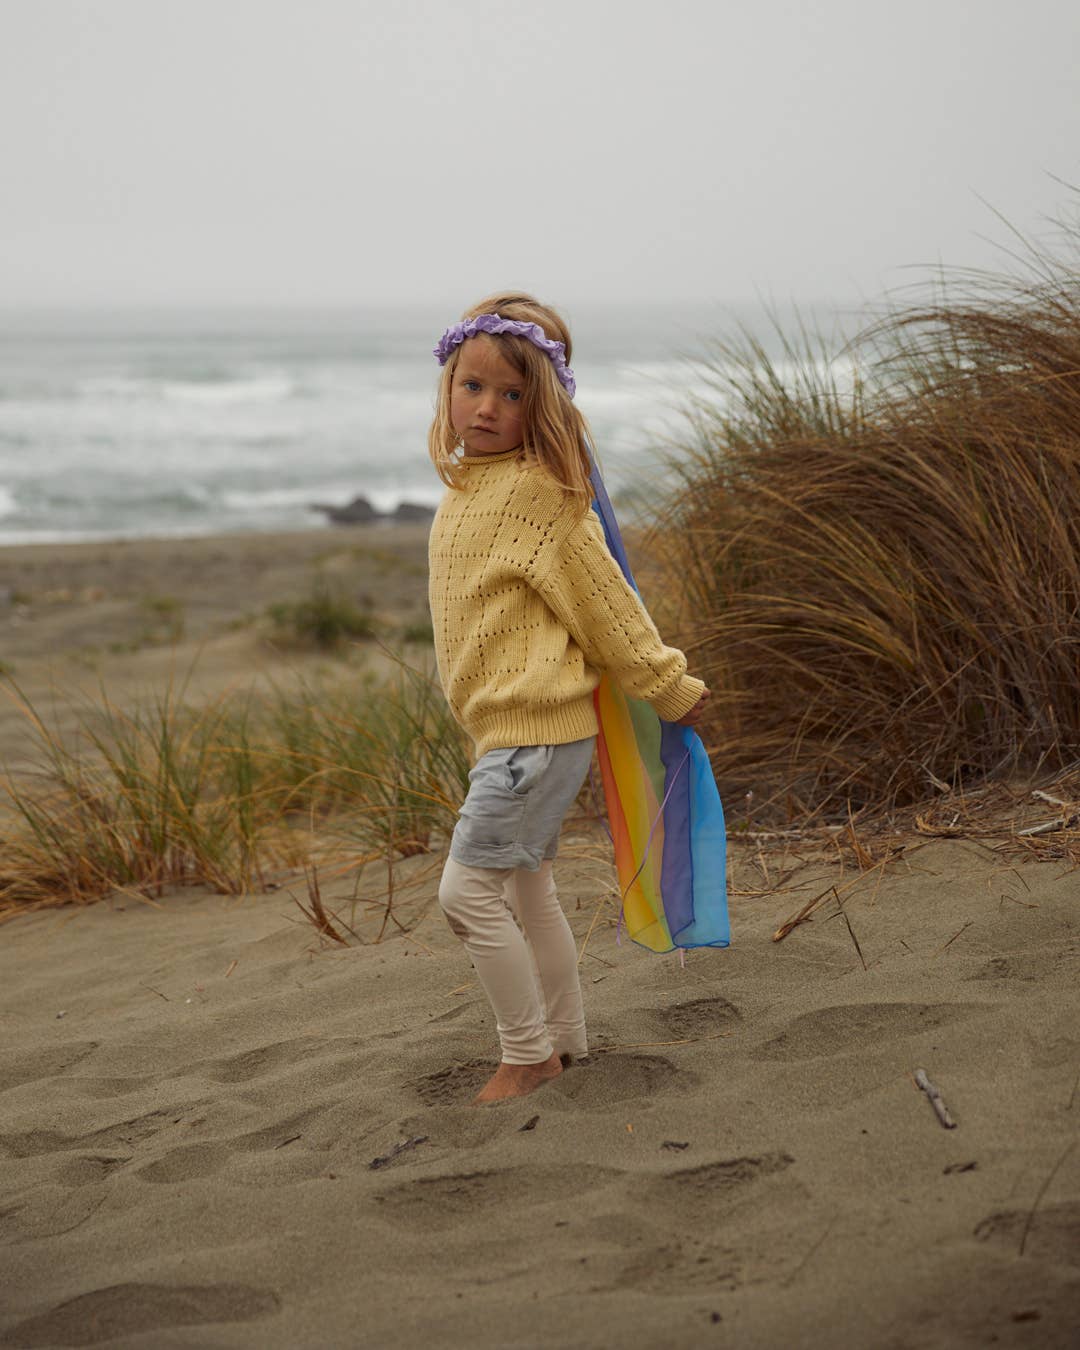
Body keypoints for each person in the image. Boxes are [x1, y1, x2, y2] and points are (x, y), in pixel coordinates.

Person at [427, 292, 709, 1104]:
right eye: (472, 387)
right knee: (526, 889)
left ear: (541, 406)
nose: (485, 408)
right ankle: (569, 1038)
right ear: (447, 386)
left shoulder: (540, 496)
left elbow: (608, 604)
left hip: (535, 739)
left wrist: (669, 686)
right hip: (508, 737)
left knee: (464, 893)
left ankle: (529, 1055)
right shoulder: (471, 487)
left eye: (511, 396)